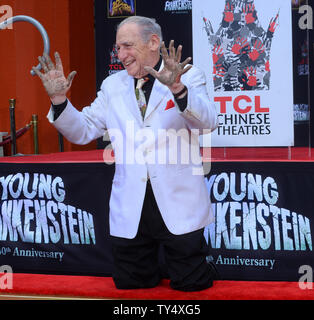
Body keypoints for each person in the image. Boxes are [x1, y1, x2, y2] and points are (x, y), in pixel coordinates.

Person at [33, 16, 219, 291]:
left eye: (127, 46)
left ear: (153, 42)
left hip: (179, 201)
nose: (120, 55)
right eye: (118, 48)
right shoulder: (112, 86)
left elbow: (207, 123)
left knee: (192, 285)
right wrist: (59, 100)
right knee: (131, 287)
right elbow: (83, 131)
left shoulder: (188, 76)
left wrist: (177, 88)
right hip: (131, 206)